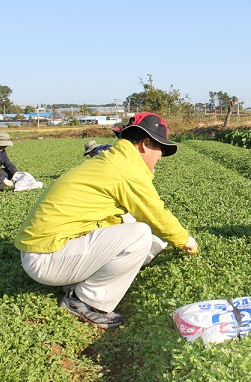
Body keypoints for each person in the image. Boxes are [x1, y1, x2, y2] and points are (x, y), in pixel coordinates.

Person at [15, 112, 198, 328]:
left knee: (134, 224)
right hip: (45, 259)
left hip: (50, 250)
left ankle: (92, 280)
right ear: (145, 144)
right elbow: (156, 214)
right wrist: (186, 242)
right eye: (161, 150)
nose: (160, 158)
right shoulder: (126, 169)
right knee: (139, 233)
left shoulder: (114, 160)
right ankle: (86, 302)